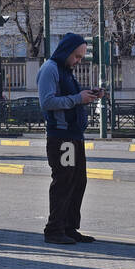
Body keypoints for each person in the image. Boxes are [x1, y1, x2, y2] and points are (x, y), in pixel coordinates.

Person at [38, 33, 102, 245]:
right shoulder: (50, 69)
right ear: (66, 51)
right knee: (64, 182)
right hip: (62, 137)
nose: (78, 61)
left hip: (73, 137)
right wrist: (78, 98)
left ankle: (68, 227)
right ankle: (54, 229)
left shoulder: (65, 71)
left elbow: (68, 100)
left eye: (81, 57)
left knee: (77, 181)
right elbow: (47, 102)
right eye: (76, 56)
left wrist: (87, 95)